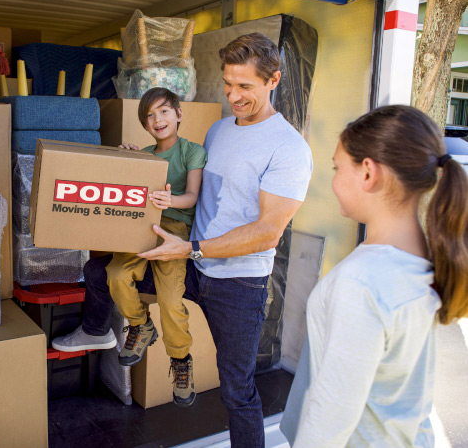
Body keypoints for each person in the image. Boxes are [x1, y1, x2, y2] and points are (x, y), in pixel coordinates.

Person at [53, 32, 313, 447]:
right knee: (99, 272)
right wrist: (136, 163)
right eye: (228, 84)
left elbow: (267, 233)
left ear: (274, 80)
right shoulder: (219, 130)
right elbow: (176, 183)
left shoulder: (289, 148)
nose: (233, 95)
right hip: (191, 262)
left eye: (245, 86)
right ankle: (98, 330)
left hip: (237, 283)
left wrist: (190, 248)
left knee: (237, 391)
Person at [280, 105, 468, 447]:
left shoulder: (362, 282)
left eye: (338, 167)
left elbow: (331, 414)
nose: (332, 179)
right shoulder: (420, 264)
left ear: (368, 173)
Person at [107, 87, 207, 407]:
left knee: (170, 299)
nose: (157, 119)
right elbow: (129, 191)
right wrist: (127, 158)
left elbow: (192, 196)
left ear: (178, 114)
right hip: (143, 225)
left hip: (175, 230)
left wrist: (171, 200)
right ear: (145, 125)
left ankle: (180, 360)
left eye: (164, 111)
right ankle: (140, 325)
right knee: (116, 274)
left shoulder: (192, 151)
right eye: (149, 115)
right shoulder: (145, 154)